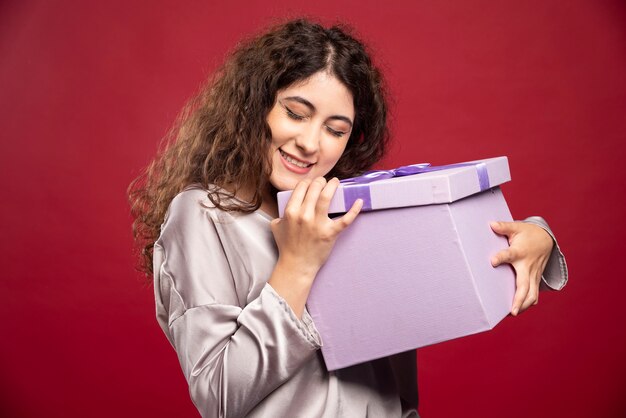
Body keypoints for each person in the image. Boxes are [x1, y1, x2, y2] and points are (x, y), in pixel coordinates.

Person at [128, 18, 567, 418]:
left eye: (335, 130)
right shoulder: (204, 215)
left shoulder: (351, 208)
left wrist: (537, 238)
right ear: (253, 106)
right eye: (295, 114)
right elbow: (218, 395)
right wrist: (297, 265)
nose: (310, 144)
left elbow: (451, 256)